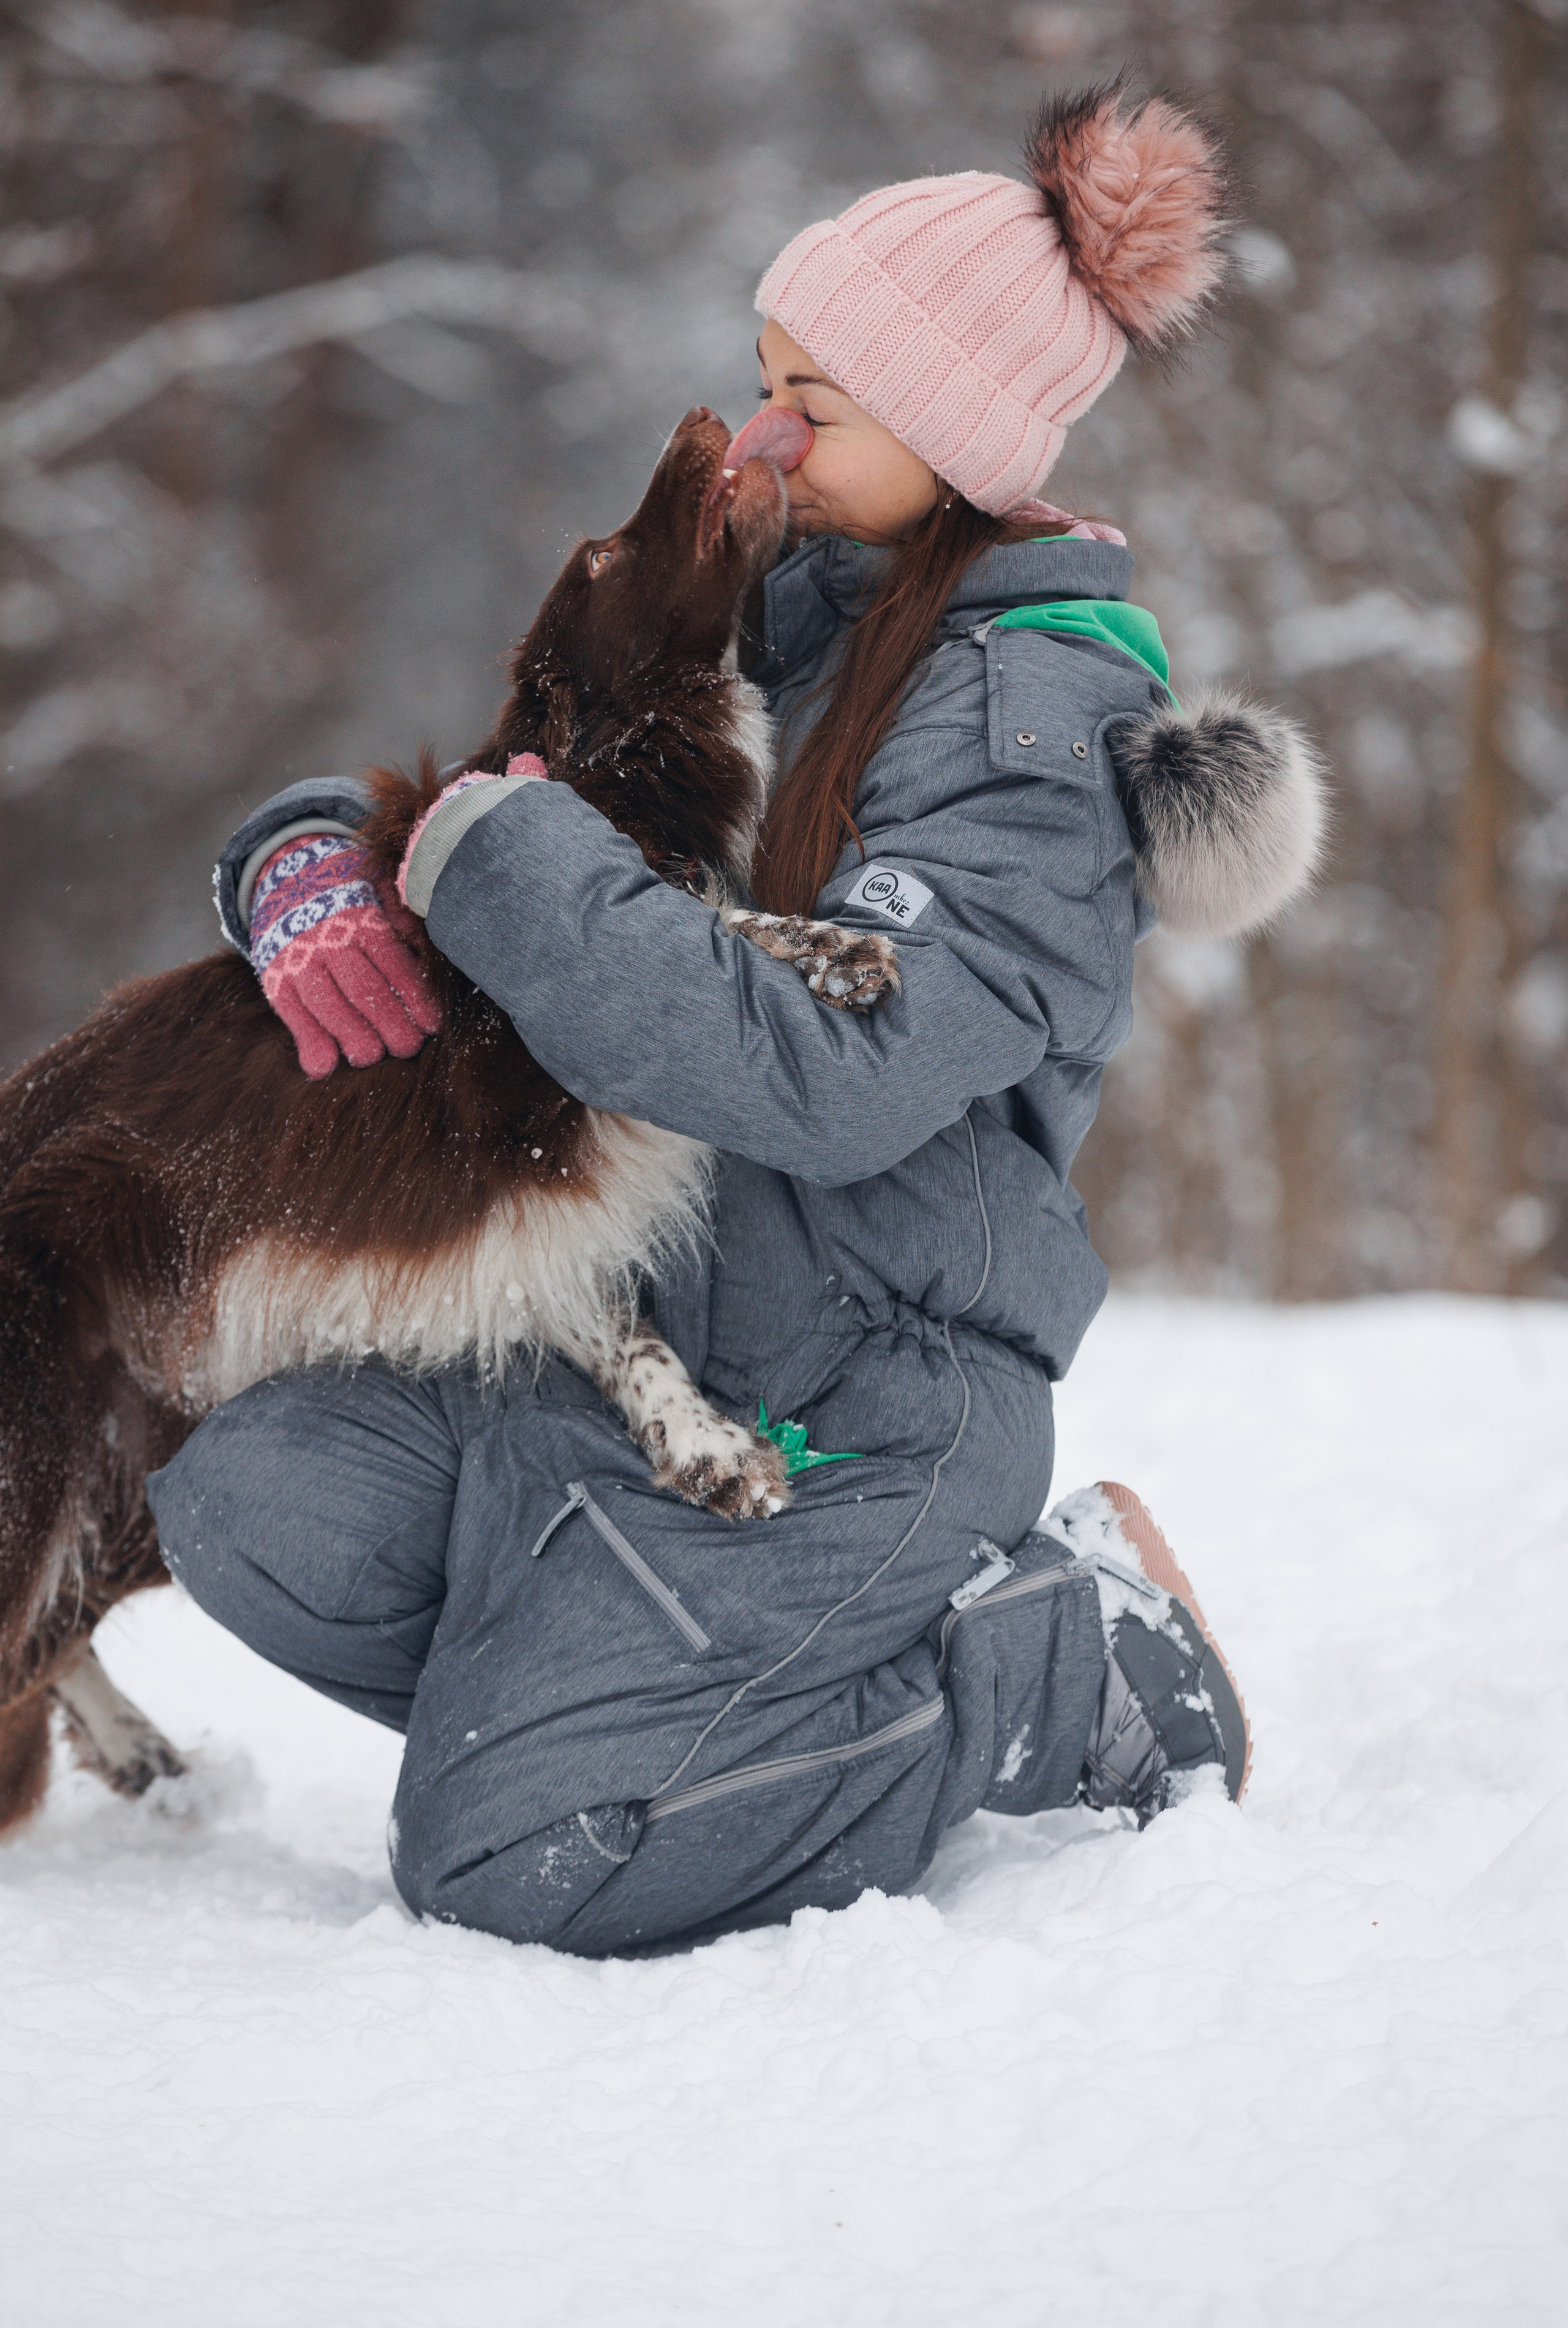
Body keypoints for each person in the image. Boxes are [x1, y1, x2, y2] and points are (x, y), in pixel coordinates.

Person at [149, 86, 1324, 1954]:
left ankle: (1052, 1666)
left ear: (949, 437)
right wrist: (298, 864)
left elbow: (837, 1071)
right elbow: (503, 783)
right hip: (656, 1338)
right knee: (249, 1501)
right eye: (768, 372)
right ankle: (645, 1706)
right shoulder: (787, 627)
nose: (768, 426)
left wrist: (504, 863)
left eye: (824, 402)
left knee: (515, 1859)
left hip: (867, 1385)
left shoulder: (1031, 741)